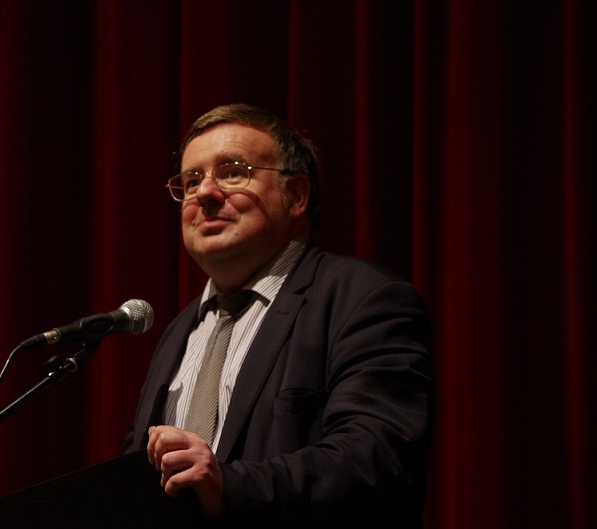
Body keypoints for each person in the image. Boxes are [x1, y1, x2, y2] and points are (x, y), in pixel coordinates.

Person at [122, 103, 433, 528]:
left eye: (233, 172)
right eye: (191, 181)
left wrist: (228, 487)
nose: (205, 193)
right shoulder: (179, 332)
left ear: (297, 195)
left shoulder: (364, 299)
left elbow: (377, 462)